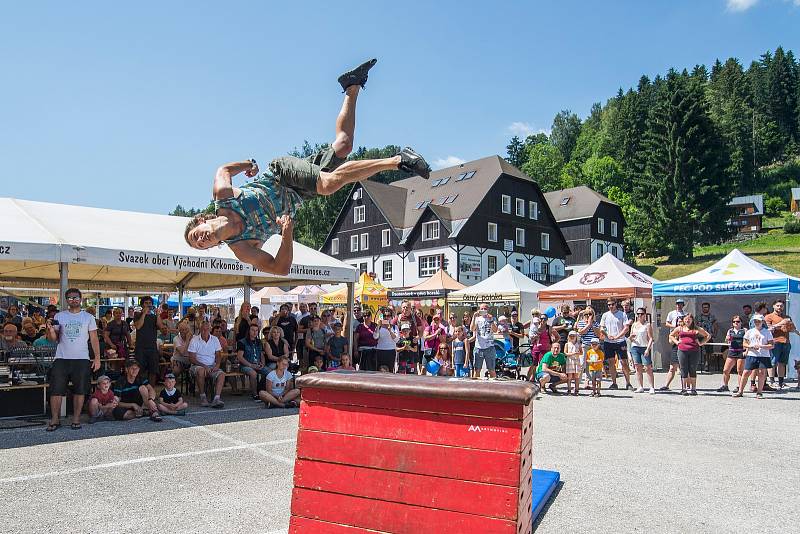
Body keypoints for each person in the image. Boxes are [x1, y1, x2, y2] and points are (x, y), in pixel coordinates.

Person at [183, 59, 430, 274]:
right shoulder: (243, 248)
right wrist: (287, 234)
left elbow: (222, 171)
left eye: (197, 235)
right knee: (344, 145)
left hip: (281, 174)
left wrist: (250, 164)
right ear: (209, 248)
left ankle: (398, 160)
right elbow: (279, 268)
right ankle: (352, 86)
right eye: (199, 245)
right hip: (298, 196)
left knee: (328, 184)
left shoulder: (223, 200)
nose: (201, 240)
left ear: (202, 221)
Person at [45, 288, 100, 431]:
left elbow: (94, 339)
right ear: (66, 300)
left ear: (81, 299)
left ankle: (76, 419)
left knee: (80, 390)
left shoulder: (88, 317)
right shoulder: (60, 316)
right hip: (62, 357)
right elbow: (53, 339)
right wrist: (50, 330)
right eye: (69, 298)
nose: (73, 300)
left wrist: (97, 358)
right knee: (56, 390)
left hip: (82, 358)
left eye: (75, 297)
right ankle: (55, 419)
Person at [187, 320, 226, 408]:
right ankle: (203, 396)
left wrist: (217, 365)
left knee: (222, 374)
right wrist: (204, 366)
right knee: (201, 371)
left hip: (211, 365)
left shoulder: (215, 339)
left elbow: (218, 355)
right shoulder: (194, 340)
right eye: (203, 329)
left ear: (210, 329)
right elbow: (192, 359)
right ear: (200, 329)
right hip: (197, 365)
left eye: (207, 329)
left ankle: (217, 398)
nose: (205, 331)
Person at [669, 314, 710, 396]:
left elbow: (707, 335)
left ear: (692, 320)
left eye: (689, 319)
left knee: (692, 369)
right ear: (684, 320)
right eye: (686, 319)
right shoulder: (680, 328)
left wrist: (701, 343)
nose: (687, 321)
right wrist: (677, 342)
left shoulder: (696, 328)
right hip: (682, 350)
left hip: (694, 351)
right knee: (683, 369)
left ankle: (693, 389)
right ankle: (684, 389)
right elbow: (671, 335)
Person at [735, 314, 774, 399]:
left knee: (761, 373)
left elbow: (771, 345)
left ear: (762, 322)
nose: (757, 322)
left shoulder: (767, 332)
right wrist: (751, 347)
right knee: (746, 372)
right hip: (752, 354)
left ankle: (759, 392)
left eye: (759, 321)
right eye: (755, 321)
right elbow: (744, 343)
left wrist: (761, 346)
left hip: (763, 355)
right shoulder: (750, 331)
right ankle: (740, 391)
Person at [600, 299, 632, 390]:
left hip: (620, 341)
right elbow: (602, 328)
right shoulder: (605, 315)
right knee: (611, 362)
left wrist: (618, 336)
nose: (610, 306)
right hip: (608, 342)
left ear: (616, 304)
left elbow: (626, 328)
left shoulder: (622, 314)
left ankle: (628, 383)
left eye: (612, 304)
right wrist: (607, 335)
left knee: (624, 362)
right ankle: (614, 383)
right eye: (609, 305)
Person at [133, 296, 165, 386]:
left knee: (153, 370)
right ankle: (140, 390)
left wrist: (158, 314)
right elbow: (138, 326)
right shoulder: (137, 315)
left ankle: (152, 391)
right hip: (140, 347)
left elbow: (161, 326)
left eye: (150, 303)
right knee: (140, 370)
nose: (148, 305)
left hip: (152, 347)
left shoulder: (154, 316)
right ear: (142, 304)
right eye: (146, 303)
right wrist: (144, 314)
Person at [764, 299, 796, 389]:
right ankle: (771, 381)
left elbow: (791, 329)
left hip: (786, 342)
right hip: (774, 342)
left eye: (781, 306)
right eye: (778, 305)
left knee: (782, 363)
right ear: (773, 306)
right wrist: (781, 323)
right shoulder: (768, 317)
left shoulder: (786, 317)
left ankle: (781, 382)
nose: (780, 307)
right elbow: (768, 330)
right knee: (772, 362)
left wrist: (792, 327)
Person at [659, 300, 687, 392]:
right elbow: (667, 323)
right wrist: (674, 326)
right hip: (675, 338)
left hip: (684, 340)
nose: (679, 305)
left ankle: (688, 386)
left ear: (683, 305)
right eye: (677, 304)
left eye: (680, 304)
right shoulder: (671, 313)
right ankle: (666, 385)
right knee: (672, 367)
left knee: (686, 367)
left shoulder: (686, 314)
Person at [237, 323, 269, 400]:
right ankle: (255, 394)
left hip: (258, 364)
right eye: (252, 330)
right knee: (253, 373)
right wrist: (251, 365)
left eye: (256, 330)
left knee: (270, 373)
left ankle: (262, 390)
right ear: (249, 331)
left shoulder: (259, 342)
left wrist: (263, 364)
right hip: (245, 365)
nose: (255, 332)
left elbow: (261, 355)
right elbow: (240, 357)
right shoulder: (242, 342)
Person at [717, 315, 747, 393]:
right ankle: (725, 385)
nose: (736, 323)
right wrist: (727, 339)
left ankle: (740, 387)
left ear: (741, 322)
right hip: (732, 351)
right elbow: (727, 341)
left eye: (738, 321)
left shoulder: (744, 330)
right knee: (726, 370)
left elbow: (748, 341)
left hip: (741, 351)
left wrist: (746, 351)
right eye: (734, 322)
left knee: (740, 370)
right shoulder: (730, 330)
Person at [629, 307, 655, 394]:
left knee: (647, 367)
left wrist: (648, 349)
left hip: (644, 347)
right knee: (637, 367)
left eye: (641, 314)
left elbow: (651, 338)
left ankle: (651, 387)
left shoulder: (647, 325)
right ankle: (640, 386)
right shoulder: (634, 325)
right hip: (635, 347)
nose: (640, 316)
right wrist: (631, 338)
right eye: (638, 314)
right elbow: (630, 337)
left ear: (645, 315)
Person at [470, 303, 498, 379]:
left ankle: (494, 387)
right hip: (478, 347)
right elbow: (472, 329)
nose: (483, 310)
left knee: (491, 370)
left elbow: (495, 330)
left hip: (489, 347)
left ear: (488, 310)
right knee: (477, 370)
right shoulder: (477, 318)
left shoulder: (493, 318)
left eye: (485, 308)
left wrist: (491, 320)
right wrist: (474, 316)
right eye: (481, 309)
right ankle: (475, 387)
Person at [576, 308, 600, 389]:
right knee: (582, 364)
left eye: (590, 314)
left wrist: (592, 324)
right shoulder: (581, 322)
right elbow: (581, 332)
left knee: (590, 364)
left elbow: (598, 334)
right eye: (587, 314)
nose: (588, 316)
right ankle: (577, 383)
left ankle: (587, 382)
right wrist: (588, 324)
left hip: (593, 347)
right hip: (585, 345)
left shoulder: (596, 323)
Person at [697, 302, 719, 372]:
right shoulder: (698, 316)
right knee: (700, 350)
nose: (705, 308)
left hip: (709, 336)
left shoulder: (712, 316)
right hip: (700, 336)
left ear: (709, 308)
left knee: (708, 351)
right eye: (703, 307)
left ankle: (707, 364)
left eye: (706, 307)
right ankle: (699, 364)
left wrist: (715, 334)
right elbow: (694, 326)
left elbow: (716, 326)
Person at [564, 331, 582, 396]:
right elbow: (565, 353)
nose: (572, 337)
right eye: (570, 336)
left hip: (576, 360)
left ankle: (576, 390)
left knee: (576, 376)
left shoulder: (578, 344)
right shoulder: (567, 344)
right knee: (570, 376)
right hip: (570, 360)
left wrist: (578, 353)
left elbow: (581, 352)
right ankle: (569, 390)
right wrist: (572, 354)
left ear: (576, 337)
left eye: (573, 336)